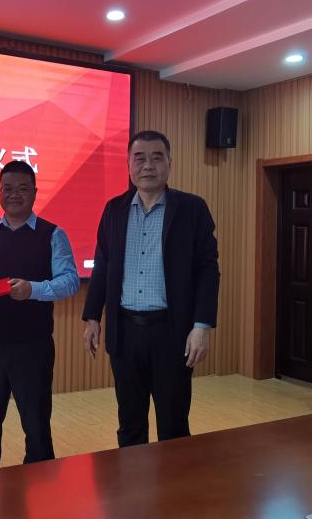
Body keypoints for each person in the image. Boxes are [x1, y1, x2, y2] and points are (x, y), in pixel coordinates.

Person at [82, 130, 220, 447]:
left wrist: (202, 326)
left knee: (173, 426)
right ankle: (133, 479)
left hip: (172, 332)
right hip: (125, 332)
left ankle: (175, 480)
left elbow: (207, 270)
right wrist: (92, 317)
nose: (148, 165)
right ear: (129, 164)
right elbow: (103, 265)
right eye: (139, 158)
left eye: (157, 157)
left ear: (169, 163)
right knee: (130, 424)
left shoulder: (192, 209)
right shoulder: (114, 210)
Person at [0, 160, 79, 471]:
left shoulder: (53, 234)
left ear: (35, 192)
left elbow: (70, 281)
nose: (14, 194)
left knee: (36, 428)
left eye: (23, 189)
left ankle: (40, 491)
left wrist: (33, 290)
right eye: (8, 188)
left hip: (33, 346)